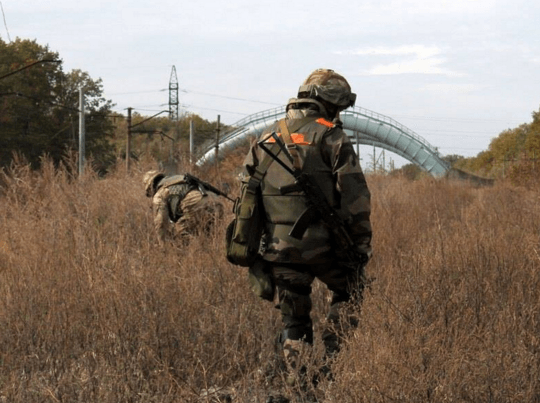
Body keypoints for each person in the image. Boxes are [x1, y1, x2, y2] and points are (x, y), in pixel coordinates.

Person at [240, 68, 372, 386]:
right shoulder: (331, 137)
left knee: (294, 317)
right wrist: (360, 248)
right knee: (352, 293)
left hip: (278, 250)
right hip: (327, 249)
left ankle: (300, 383)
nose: (339, 113)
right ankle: (328, 365)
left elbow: (246, 195)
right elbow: (356, 200)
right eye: (338, 106)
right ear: (325, 103)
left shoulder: (265, 137)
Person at [143, 171, 225, 244]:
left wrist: (163, 246)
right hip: (216, 203)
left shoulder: (160, 194)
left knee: (181, 231)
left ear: (150, 187)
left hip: (198, 206)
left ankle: (192, 255)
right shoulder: (177, 179)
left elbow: (160, 222)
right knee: (209, 237)